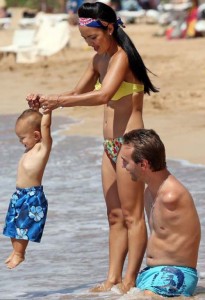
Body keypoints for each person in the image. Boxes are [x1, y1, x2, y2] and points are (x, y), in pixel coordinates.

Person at [26, 1, 158, 293]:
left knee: (132, 216)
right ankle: (112, 278)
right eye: (85, 40)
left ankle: (130, 281)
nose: (90, 45)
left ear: (110, 28)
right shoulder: (99, 59)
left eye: (93, 38)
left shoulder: (122, 57)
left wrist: (59, 102)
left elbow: (103, 96)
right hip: (109, 146)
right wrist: (46, 98)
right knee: (114, 217)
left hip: (131, 146)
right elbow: (76, 92)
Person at [121, 128, 201, 298]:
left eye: (126, 162)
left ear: (143, 164)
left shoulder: (171, 196)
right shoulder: (149, 192)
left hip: (176, 273)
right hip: (151, 272)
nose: (123, 167)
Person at [3, 106, 52, 269]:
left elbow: (44, 126)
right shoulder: (30, 148)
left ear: (36, 135)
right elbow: (34, 122)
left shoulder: (42, 148)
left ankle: (20, 253)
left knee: (23, 226)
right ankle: (15, 250)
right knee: (12, 225)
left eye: (22, 138)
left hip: (32, 195)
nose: (20, 142)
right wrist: (36, 109)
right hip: (19, 194)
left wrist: (47, 111)